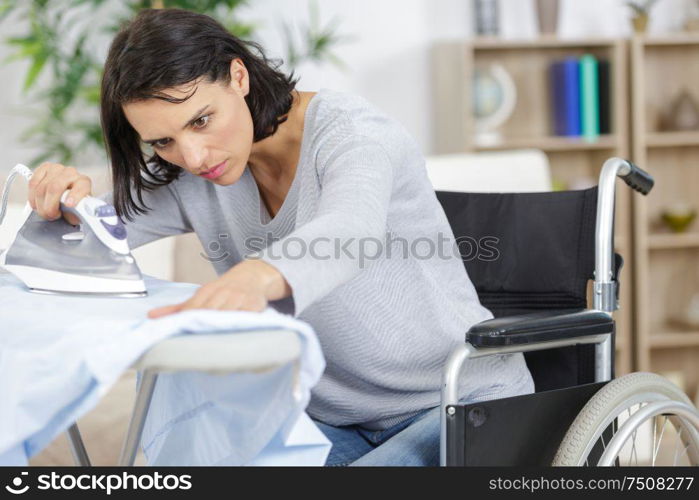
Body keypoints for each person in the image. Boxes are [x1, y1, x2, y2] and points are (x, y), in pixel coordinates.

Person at [26, 8, 534, 466]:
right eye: (163, 140)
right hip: (327, 418)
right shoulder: (193, 174)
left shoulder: (353, 134)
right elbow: (91, 239)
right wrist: (65, 204)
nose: (194, 155)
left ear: (238, 77)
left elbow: (349, 231)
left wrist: (256, 276)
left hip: (456, 401)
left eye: (202, 119)